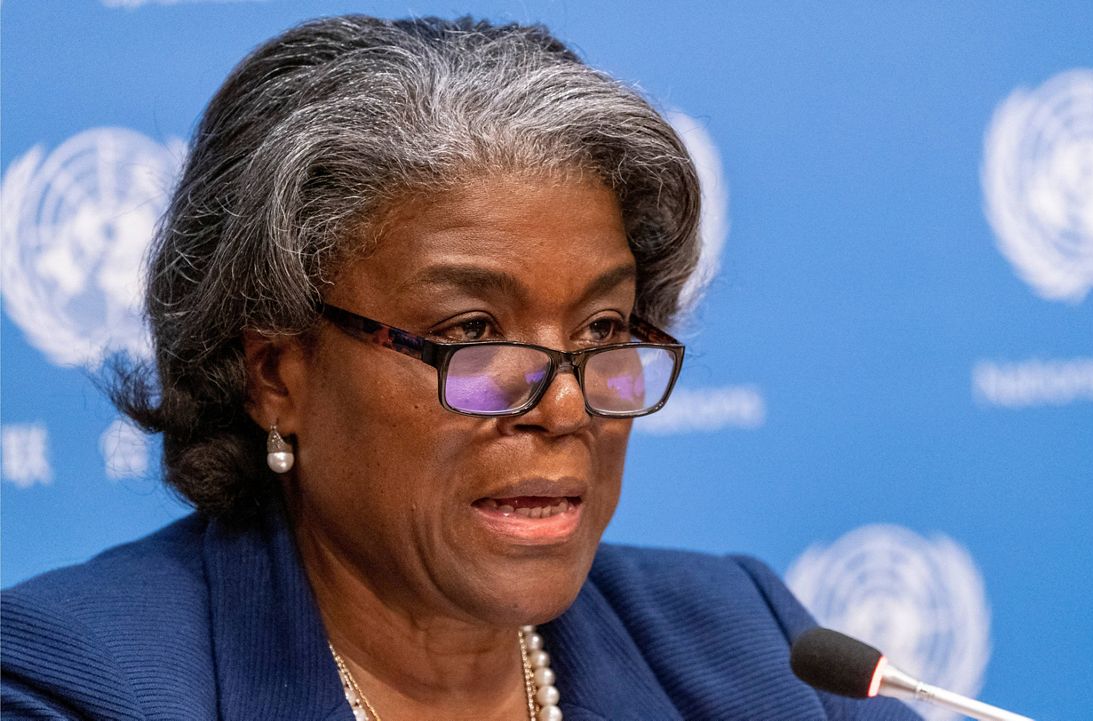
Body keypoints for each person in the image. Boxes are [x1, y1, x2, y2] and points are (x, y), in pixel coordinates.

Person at [1, 15, 920, 721]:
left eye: (604, 328)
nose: (564, 404)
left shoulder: (750, 643)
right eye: (475, 329)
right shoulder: (75, 682)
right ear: (278, 375)